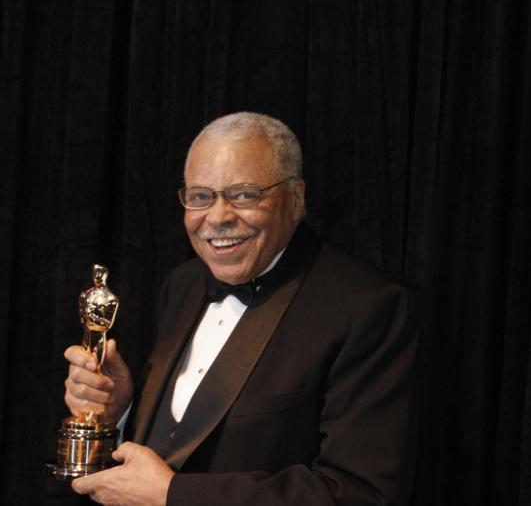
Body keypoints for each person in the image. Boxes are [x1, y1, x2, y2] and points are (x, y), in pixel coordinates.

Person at [62, 112, 418, 505]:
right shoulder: (182, 284)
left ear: (296, 199)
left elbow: (359, 494)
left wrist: (174, 496)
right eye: (200, 196)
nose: (217, 217)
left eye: (244, 194)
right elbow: (177, 439)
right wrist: (123, 409)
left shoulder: (368, 307)